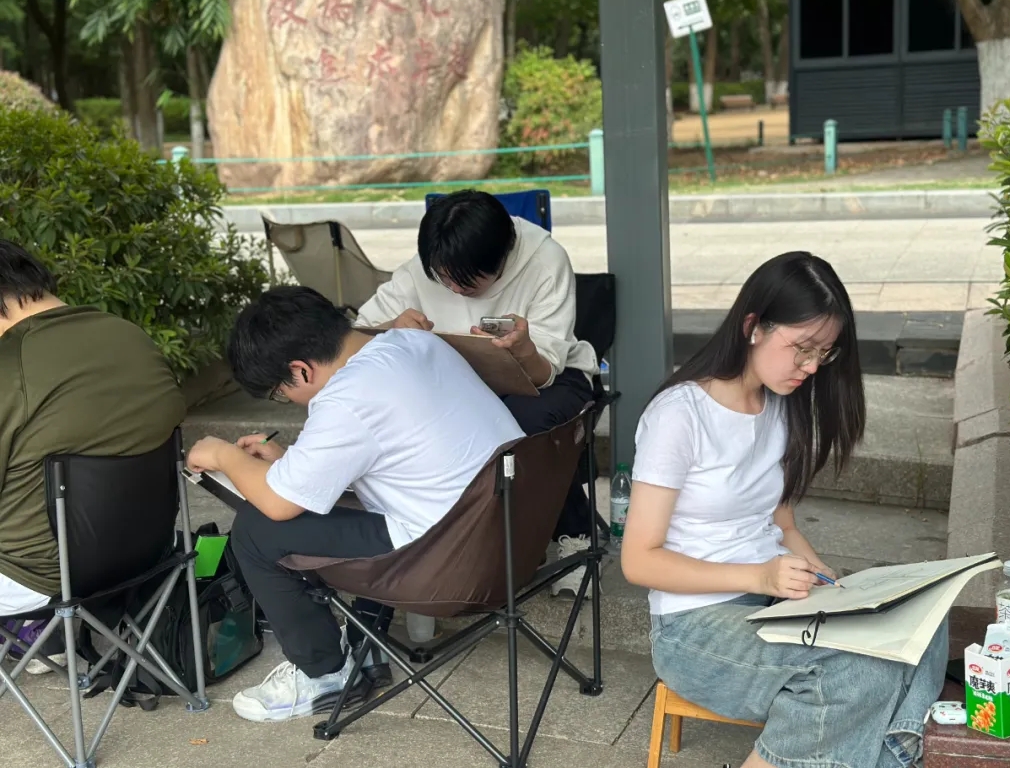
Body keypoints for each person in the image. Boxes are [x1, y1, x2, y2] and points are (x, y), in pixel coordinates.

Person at [620, 251, 947, 768]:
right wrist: (760, 576)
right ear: (754, 326)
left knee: (923, 622)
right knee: (860, 671)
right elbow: (638, 560)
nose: (811, 367)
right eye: (802, 349)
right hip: (694, 627)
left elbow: (784, 525)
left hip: (773, 602)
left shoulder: (781, 405)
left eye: (824, 353)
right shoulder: (679, 416)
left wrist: (831, 583)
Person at [186, 285, 522, 723]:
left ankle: (323, 674)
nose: (286, 398)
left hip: (449, 560)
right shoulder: (415, 342)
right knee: (328, 501)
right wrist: (291, 463)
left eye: (279, 391)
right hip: (509, 534)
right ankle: (366, 645)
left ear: (301, 370)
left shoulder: (347, 396)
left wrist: (222, 455)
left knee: (256, 530)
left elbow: (278, 505)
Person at [353, 190, 601, 596]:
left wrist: (523, 349)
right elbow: (359, 331)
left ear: (503, 259)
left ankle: (572, 534)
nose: (452, 287)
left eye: (466, 282)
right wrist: (390, 328)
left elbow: (546, 370)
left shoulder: (544, 261)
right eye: (444, 278)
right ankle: (474, 542)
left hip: (550, 379)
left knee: (519, 429)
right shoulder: (431, 265)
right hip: (462, 380)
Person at [0, 239, 185, 670]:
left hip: (39, 574)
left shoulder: (11, 364)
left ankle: (34, 628)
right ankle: (41, 635)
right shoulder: (130, 336)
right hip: (147, 556)